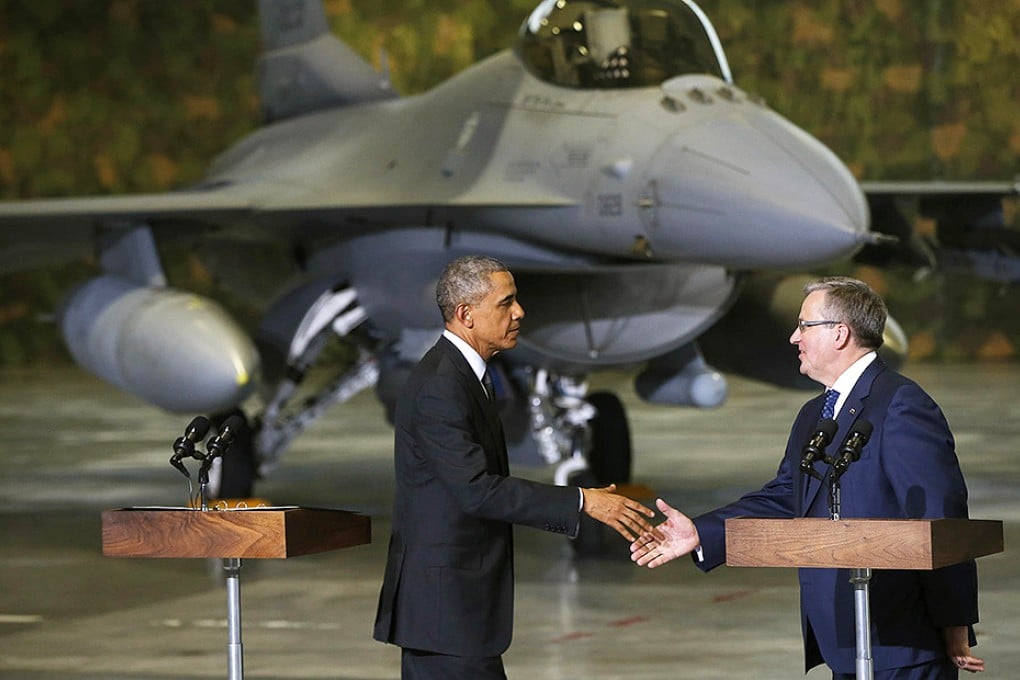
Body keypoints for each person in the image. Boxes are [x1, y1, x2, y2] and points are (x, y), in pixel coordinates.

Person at [631, 276, 984, 679]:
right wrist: (701, 532)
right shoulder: (814, 415)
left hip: (902, 641)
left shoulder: (901, 404)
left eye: (804, 325)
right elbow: (787, 497)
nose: (793, 337)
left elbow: (941, 517)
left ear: (839, 333)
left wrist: (954, 623)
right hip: (845, 640)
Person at [373, 255, 655, 679]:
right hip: (443, 615)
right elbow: (478, 490)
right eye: (506, 303)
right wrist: (582, 502)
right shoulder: (440, 387)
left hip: (457, 616)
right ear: (466, 314)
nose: (519, 312)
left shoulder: (464, 377)